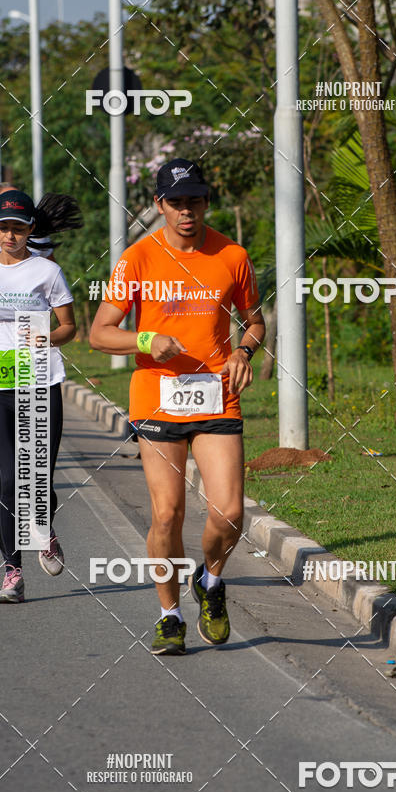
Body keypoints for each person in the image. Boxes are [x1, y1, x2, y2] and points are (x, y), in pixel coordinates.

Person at [90, 158, 265, 655]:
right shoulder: (138, 259)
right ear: (159, 205)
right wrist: (147, 339)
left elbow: (255, 321)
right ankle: (170, 616)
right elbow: (100, 333)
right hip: (158, 398)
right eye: (176, 202)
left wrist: (243, 351)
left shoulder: (232, 255)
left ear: (206, 202)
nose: (186, 210)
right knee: (167, 514)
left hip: (216, 394)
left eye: (194, 200)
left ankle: (211, 581)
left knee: (230, 512)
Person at [0, 189, 82, 603]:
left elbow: (69, 327)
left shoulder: (47, 272)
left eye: (17, 228)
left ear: (30, 229)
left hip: (39, 381)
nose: (10, 235)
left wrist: (46, 337)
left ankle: (43, 531)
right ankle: (12, 572)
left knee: (38, 477)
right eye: (3, 227)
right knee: (10, 480)